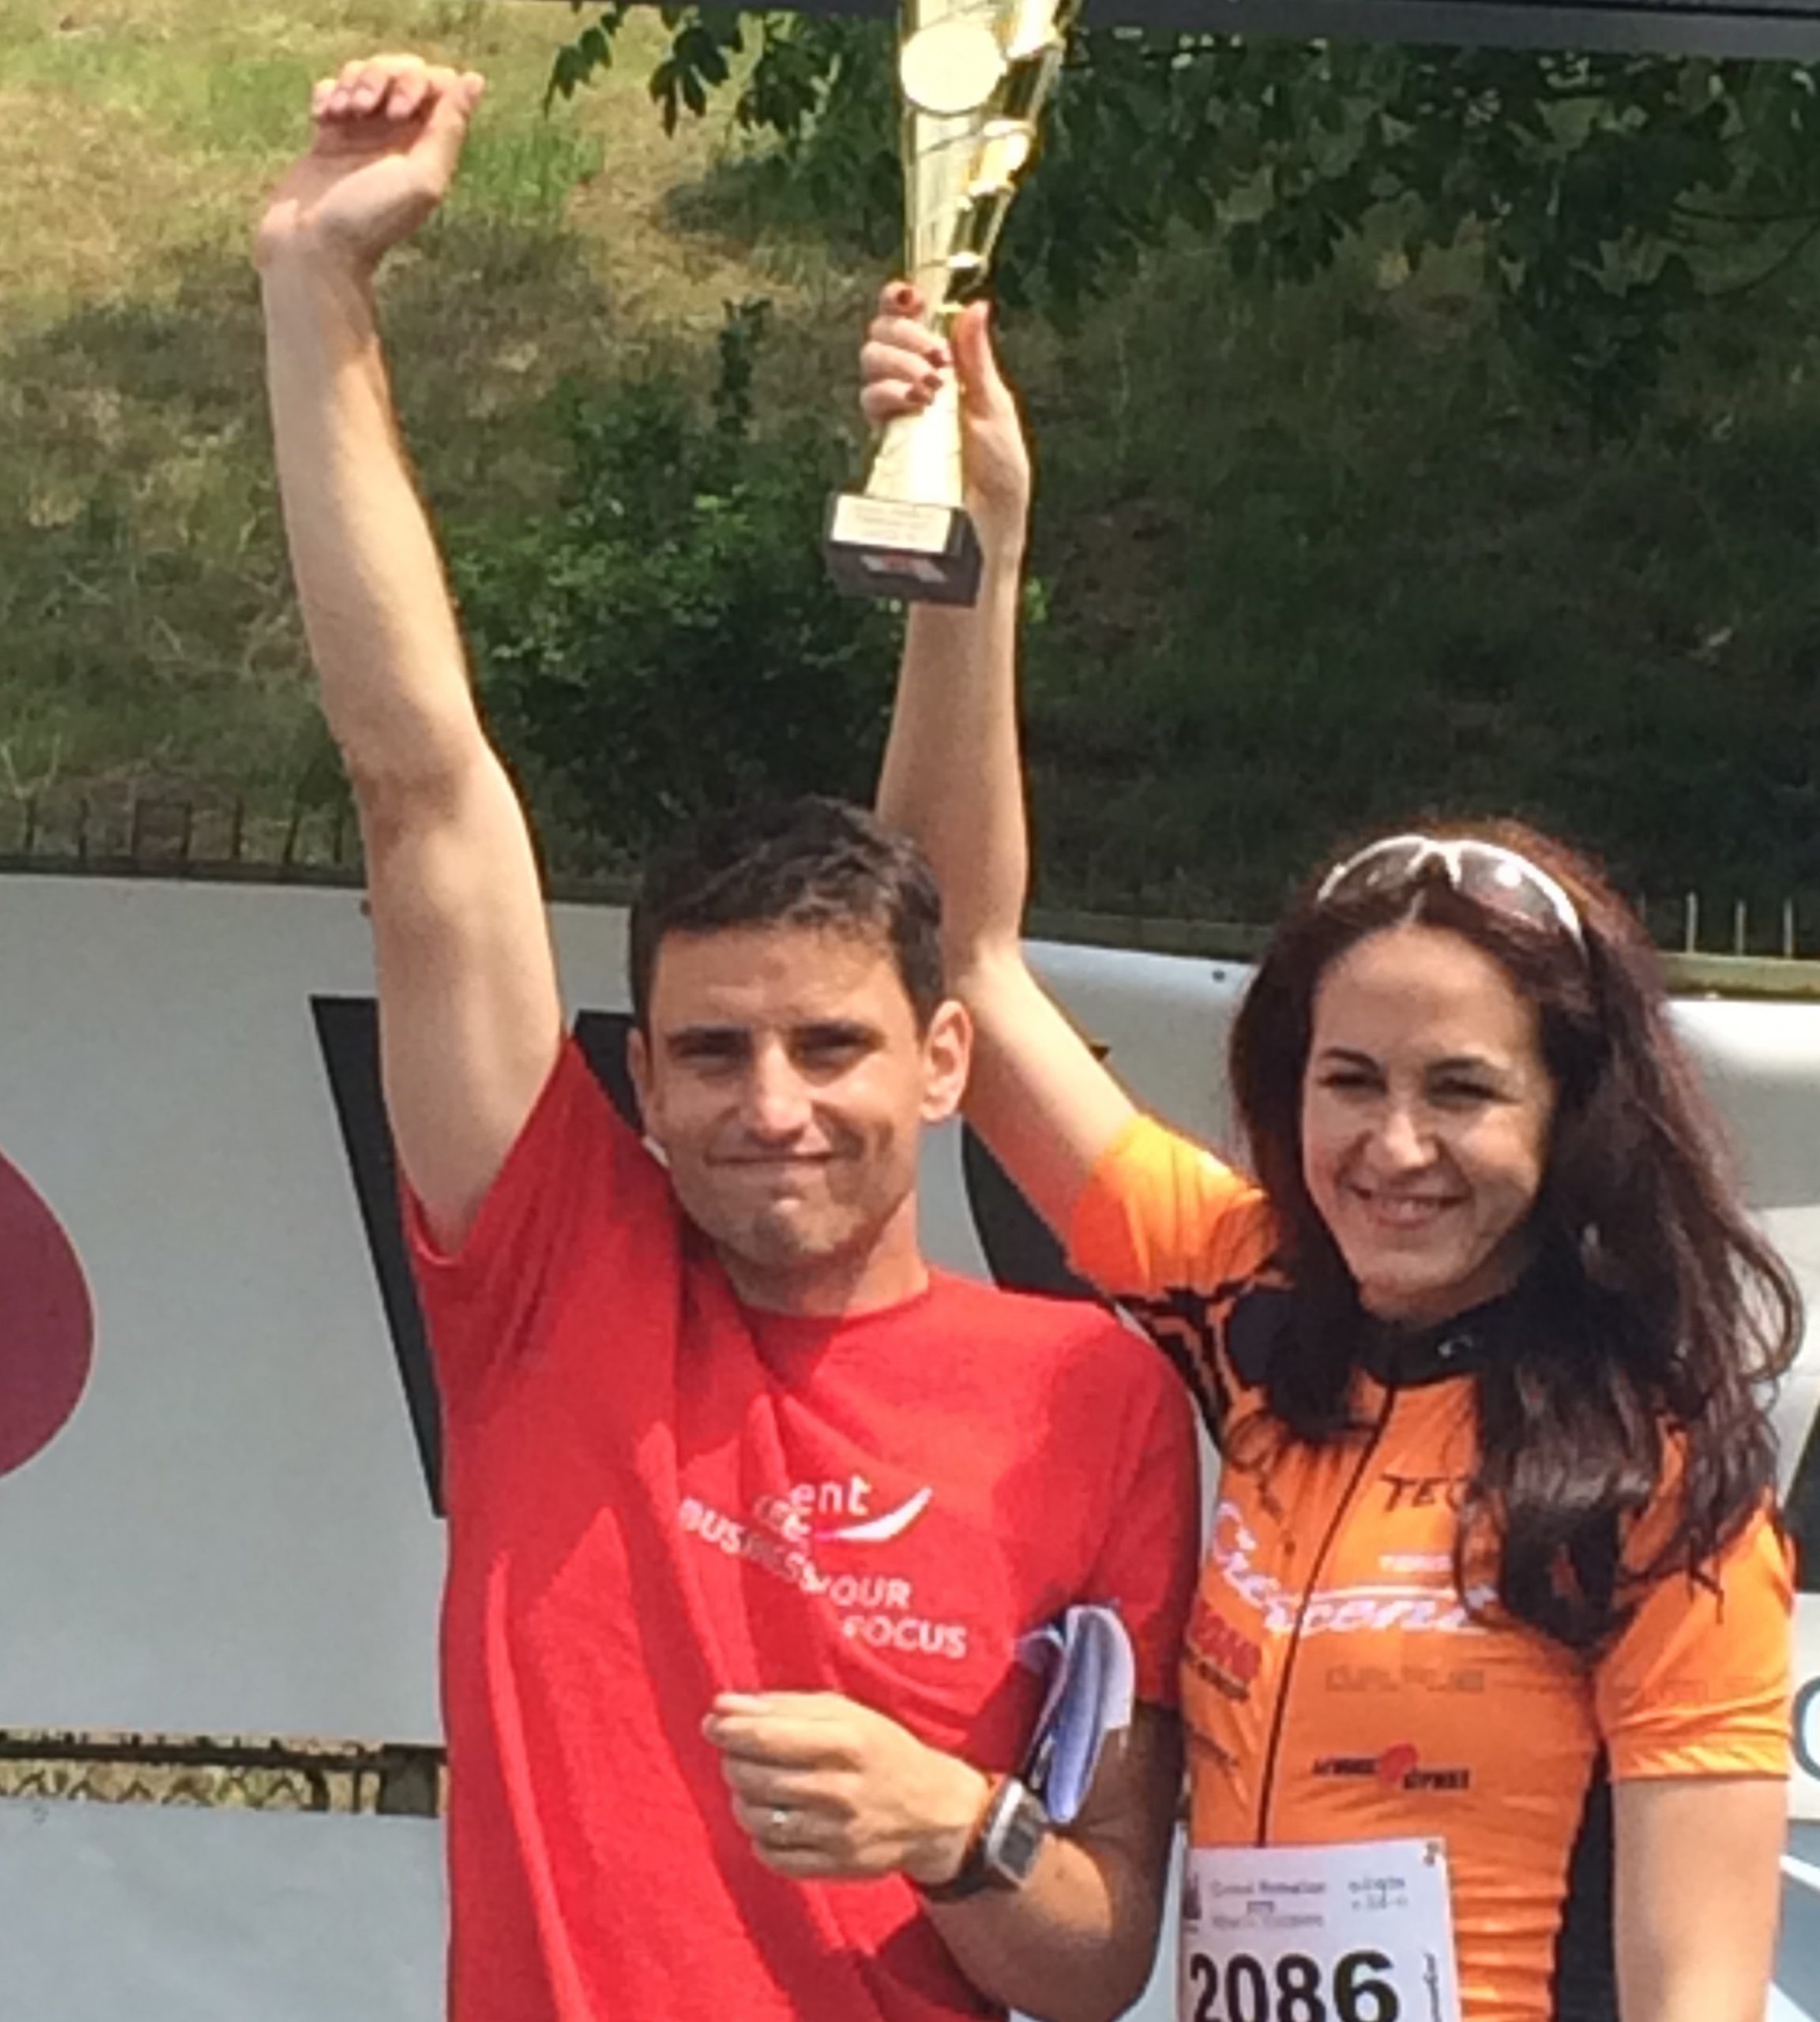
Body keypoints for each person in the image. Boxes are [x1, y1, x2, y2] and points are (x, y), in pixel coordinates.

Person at [254, 55, 1201, 2022]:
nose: (774, 1104)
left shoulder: (1090, 1394)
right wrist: (314, 282)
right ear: (641, 1079)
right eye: (710, 1053)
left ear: (945, 1061)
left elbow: (1100, 1955)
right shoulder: (554, 1264)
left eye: (832, 1047)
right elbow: (420, 786)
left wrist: (959, 1822)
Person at [862, 284, 1800, 2022]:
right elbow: (958, 961)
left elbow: (1698, 1992)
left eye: (1466, 1091)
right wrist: (975, 542)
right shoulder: (1253, 1301)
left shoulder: (1651, 1477)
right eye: (1349, 1080)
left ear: (1573, 1114)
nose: (1396, 1145)